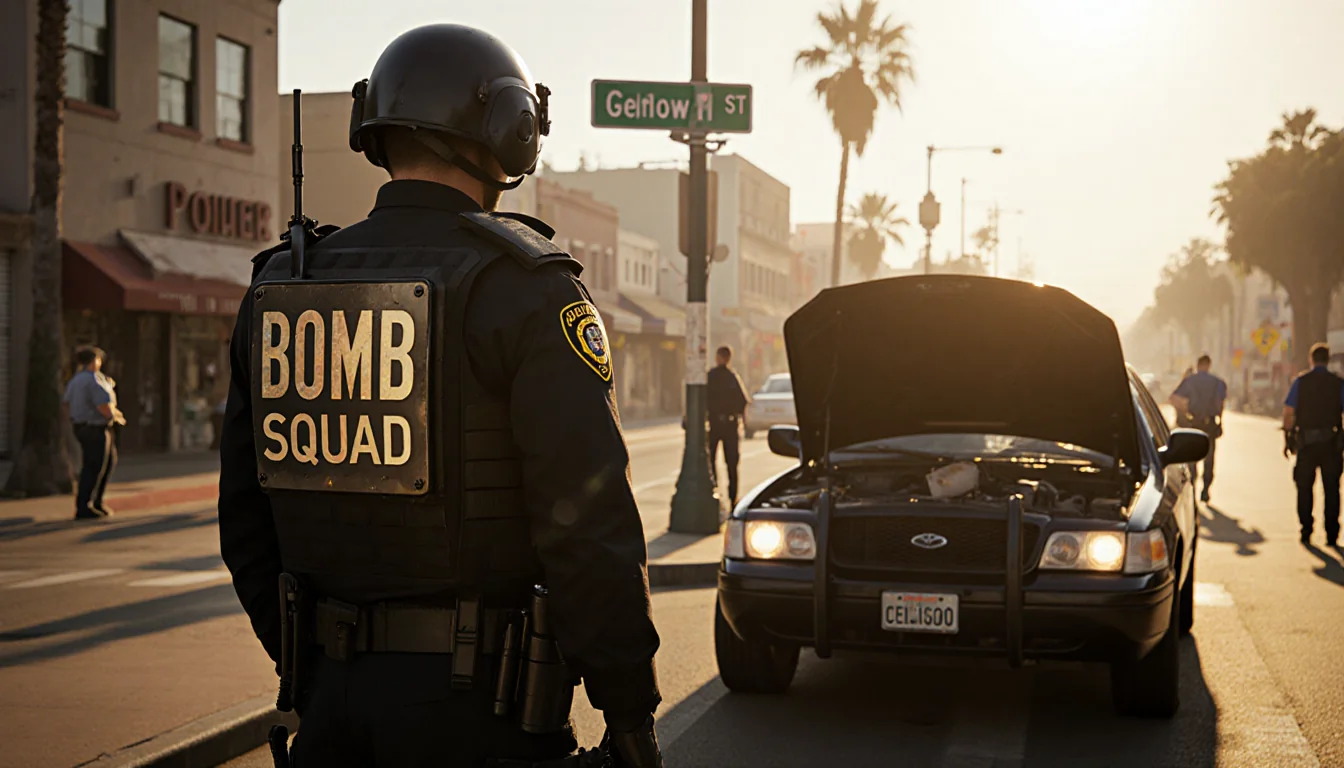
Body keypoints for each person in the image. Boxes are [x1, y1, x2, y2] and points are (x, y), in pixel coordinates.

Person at [217, 24, 662, 768]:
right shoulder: (527, 288)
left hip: (329, 706)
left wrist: (311, 660)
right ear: (508, 126)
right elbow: (589, 523)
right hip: (482, 711)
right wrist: (628, 707)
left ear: (377, 127)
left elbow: (245, 516)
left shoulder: (280, 286)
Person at [1282, 343, 1344, 547]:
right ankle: (1332, 533)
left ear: (1311, 359)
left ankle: (1306, 528)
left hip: (1307, 443)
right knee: (1332, 489)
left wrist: (1288, 438)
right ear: (1328, 360)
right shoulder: (1338, 383)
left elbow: (1289, 412)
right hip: (1331, 443)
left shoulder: (1301, 382)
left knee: (1304, 487)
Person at [62, 346, 124, 520]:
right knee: (95, 466)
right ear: (93, 361)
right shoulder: (93, 380)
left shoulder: (75, 380)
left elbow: (65, 403)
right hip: (95, 427)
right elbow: (103, 405)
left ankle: (96, 501)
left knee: (107, 461)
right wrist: (113, 417)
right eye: (98, 359)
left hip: (80, 425)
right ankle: (85, 505)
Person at [1169, 354, 1226, 502]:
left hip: (1192, 423)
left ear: (1199, 364)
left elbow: (1173, 398)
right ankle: (1206, 490)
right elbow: (1220, 402)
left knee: (1192, 457)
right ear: (1208, 365)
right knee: (1209, 457)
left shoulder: (1189, 381)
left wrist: (1183, 414)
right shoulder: (1217, 382)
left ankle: (1192, 487)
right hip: (1210, 424)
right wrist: (1220, 420)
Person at [707, 346, 751, 507]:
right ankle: (730, 497)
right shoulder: (730, 377)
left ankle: (720, 494)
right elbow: (743, 402)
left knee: (716, 462)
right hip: (727, 425)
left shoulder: (715, 376)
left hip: (717, 425)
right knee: (729, 463)